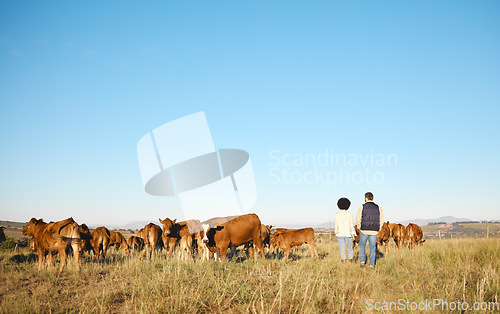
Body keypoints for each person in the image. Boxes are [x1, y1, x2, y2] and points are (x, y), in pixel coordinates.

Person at [356, 192, 384, 267]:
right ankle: (371, 264)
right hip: (374, 231)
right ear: (372, 198)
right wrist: (379, 228)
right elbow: (381, 219)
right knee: (372, 247)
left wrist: (359, 226)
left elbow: (358, 218)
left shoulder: (362, 207)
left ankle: (362, 262)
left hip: (364, 230)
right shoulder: (378, 207)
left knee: (362, 246)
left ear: (365, 198)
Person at [335, 197, 356, 262]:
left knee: (342, 249)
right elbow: (351, 225)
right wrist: (353, 234)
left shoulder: (337, 215)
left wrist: (336, 233)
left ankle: (343, 261)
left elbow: (336, 225)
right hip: (348, 234)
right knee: (350, 248)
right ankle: (350, 260)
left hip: (340, 234)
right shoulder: (349, 214)